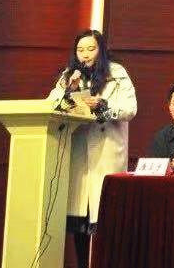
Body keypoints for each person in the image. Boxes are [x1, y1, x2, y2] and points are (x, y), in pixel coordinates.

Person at [46, 30, 137, 267]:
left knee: (104, 219)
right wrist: (69, 90)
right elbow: (50, 105)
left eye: (91, 49)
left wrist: (103, 104)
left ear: (101, 50)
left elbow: (130, 108)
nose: (85, 54)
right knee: (80, 218)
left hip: (106, 151)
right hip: (78, 153)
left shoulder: (116, 72)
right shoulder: (69, 75)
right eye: (80, 50)